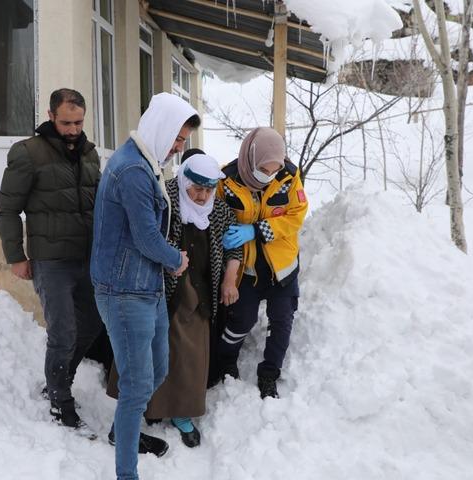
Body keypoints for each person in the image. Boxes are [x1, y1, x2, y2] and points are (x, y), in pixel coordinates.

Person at [90, 92, 199, 480]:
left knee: (157, 368)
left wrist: (163, 267)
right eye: (177, 138)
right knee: (137, 385)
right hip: (124, 291)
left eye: (183, 142)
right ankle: (126, 473)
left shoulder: (146, 163)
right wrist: (176, 260)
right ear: (161, 128)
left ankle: (122, 432)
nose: (178, 148)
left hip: (145, 285)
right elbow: (146, 237)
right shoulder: (133, 170)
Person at [106, 150, 242, 448]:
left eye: (209, 189)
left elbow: (234, 248)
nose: (203, 196)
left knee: (189, 356)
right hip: (155, 287)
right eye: (197, 189)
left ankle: (181, 412)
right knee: (146, 351)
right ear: (183, 181)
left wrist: (230, 278)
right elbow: (142, 234)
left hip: (198, 291)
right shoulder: (163, 199)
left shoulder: (218, 211)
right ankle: (135, 414)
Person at [0, 88, 106, 435]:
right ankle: (60, 401)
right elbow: (8, 208)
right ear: (50, 115)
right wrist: (16, 256)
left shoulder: (90, 154)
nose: (73, 129)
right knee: (63, 330)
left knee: (91, 324)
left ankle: (60, 381)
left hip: (87, 258)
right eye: (66, 122)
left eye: (78, 122)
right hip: (51, 260)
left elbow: (98, 206)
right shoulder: (28, 153)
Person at [212, 127, 309, 399]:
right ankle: (227, 359)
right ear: (251, 159)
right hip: (246, 267)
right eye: (264, 170)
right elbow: (216, 216)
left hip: (281, 267)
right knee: (241, 319)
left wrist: (257, 230)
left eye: (273, 170)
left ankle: (269, 374)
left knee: (282, 321)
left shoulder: (289, 177)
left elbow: (296, 215)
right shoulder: (227, 180)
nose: (269, 177)